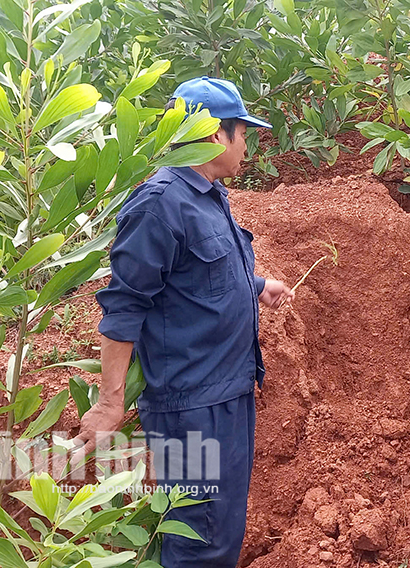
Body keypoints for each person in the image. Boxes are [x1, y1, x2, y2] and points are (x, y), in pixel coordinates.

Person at [75, 76, 293, 567]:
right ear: (218, 134)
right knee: (201, 539)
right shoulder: (160, 204)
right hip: (191, 408)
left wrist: (258, 287)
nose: (247, 145)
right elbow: (124, 305)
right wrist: (110, 403)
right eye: (244, 133)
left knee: (220, 527)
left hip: (229, 393)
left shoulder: (208, 192)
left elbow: (196, 273)